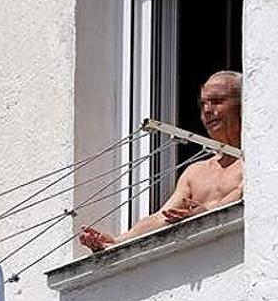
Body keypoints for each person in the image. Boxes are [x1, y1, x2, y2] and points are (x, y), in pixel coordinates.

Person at [79, 71, 243, 252]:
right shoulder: (196, 172)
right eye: (203, 104)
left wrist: (207, 212)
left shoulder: (257, 162)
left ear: (244, 105)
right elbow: (161, 217)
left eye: (218, 101)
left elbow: (240, 196)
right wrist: (116, 243)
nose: (207, 110)